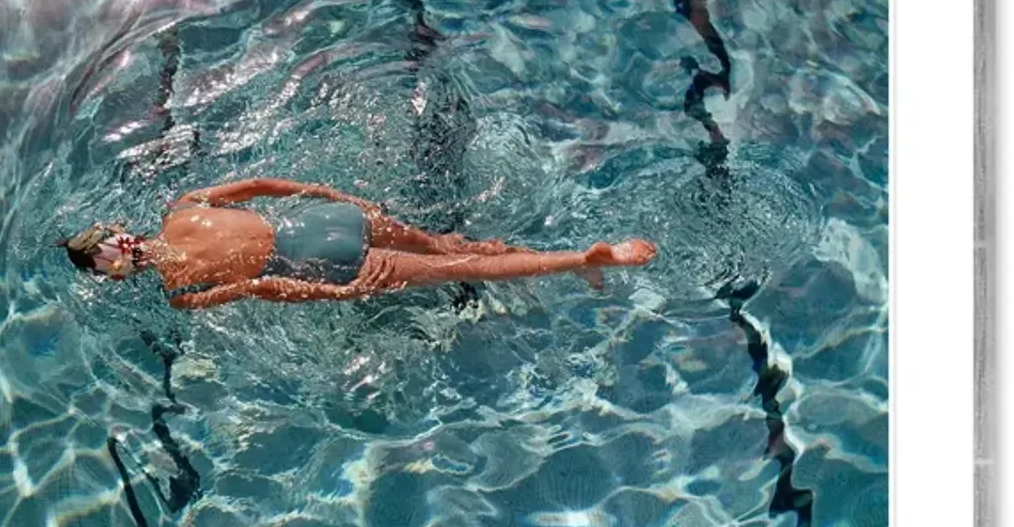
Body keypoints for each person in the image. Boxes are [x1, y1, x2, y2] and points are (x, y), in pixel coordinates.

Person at [58, 177, 656, 309]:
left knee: (462, 270)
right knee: (453, 246)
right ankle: (559, 256)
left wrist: (335, 292)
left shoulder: (179, 293)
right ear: (120, 232)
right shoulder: (182, 204)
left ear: (112, 271)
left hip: (319, 259)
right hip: (327, 220)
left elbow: (264, 286)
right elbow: (267, 182)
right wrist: (338, 198)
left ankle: (583, 260)